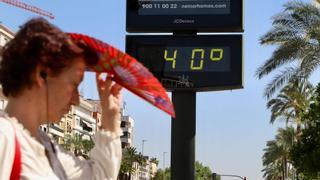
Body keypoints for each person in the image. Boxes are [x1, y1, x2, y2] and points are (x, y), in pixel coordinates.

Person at [0, 17, 123, 179]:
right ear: (41, 74)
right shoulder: (4, 137)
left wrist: (109, 116)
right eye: (74, 85)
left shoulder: (46, 147)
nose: (76, 100)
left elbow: (100, 176)